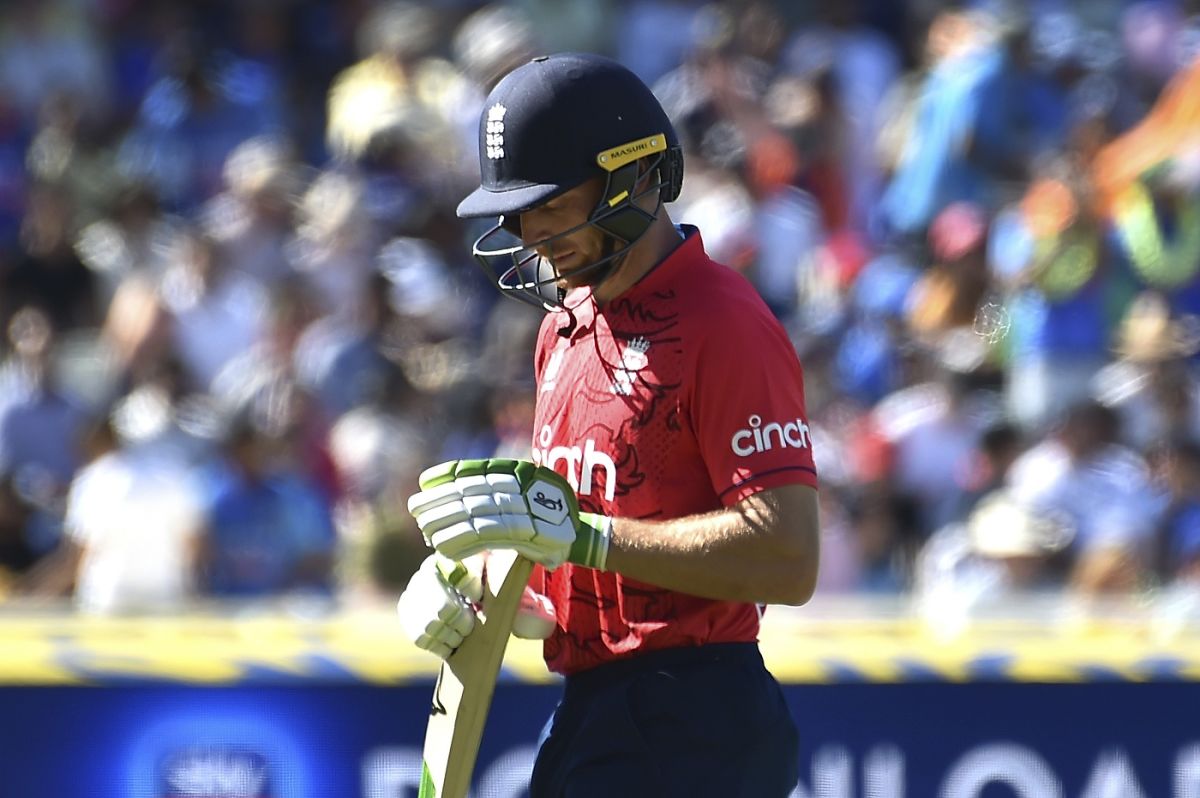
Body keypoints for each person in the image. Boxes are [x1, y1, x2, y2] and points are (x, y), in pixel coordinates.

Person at [395, 53, 819, 796]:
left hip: (697, 719)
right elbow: (567, 550)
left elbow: (787, 555)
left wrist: (584, 537)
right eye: (520, 212)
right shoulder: (563, 328)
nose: (531, 233)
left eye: (552, 204)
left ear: (636, 176)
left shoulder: (724, 324)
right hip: (594, 710)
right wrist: (476, 587)